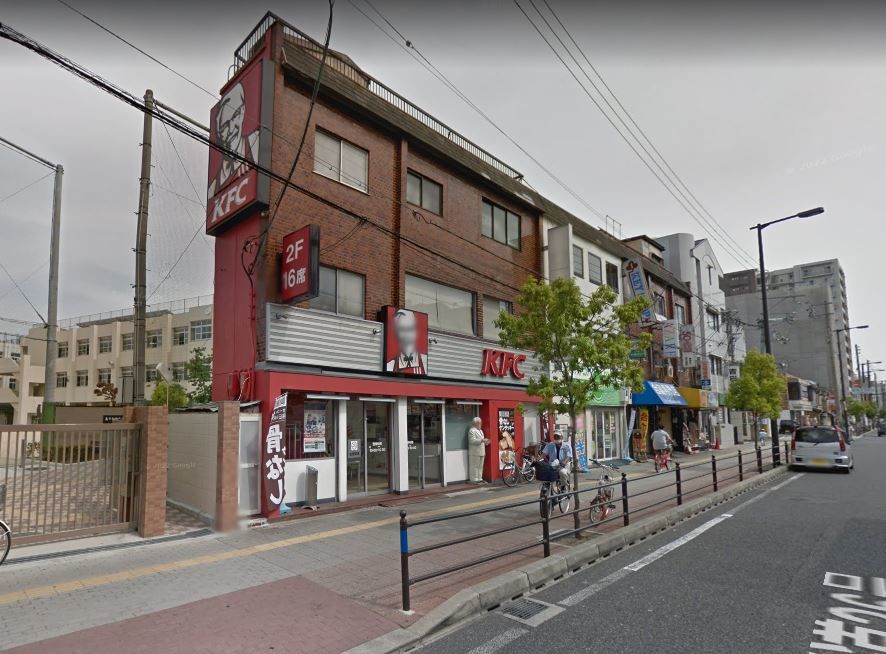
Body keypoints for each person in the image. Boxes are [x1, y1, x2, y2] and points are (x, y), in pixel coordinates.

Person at [208, 81, 261, 198]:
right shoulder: (212, 190)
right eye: (224, 126)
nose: (231, 128)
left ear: (243, 111)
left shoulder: (257, 143)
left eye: (235, 116)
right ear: (218, 133)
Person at [385, 309, 428, 374]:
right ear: (395, 333)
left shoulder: (425, 362)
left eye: (410, 329)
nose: (407, 335)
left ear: (416, 332)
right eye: (402, 329)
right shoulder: (389, 366)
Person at [467, 417, 489, 483]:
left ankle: (479, 478)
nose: (481, 424)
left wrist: (486, 442)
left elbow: (481, 440)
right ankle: (474, 478)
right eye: (479, 422)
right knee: (474, 466)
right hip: (474, 452)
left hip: (481, 451)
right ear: (476, 423)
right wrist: (482, 440)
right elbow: (472, 441)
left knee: (480, 466)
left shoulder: (480, 431)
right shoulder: (471, 430)